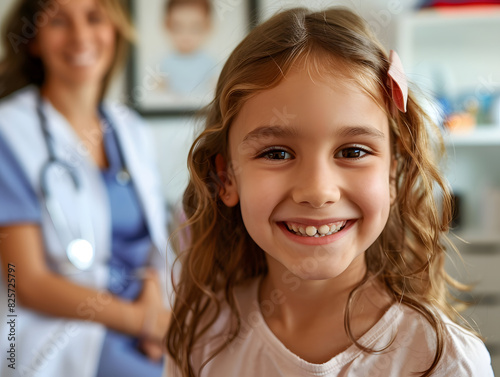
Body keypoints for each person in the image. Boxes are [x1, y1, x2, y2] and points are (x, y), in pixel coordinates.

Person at [164, 6, 495, 377]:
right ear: (226, 179)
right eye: (276, 153)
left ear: (393, 172)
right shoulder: (203, 335)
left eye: (352, 152)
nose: (318, 191)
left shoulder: (444, 361)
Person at [0, 1, 174, 376]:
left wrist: (154, 304)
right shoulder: (9, 133)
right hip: (62, 330)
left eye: (94, 18)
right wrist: (140, 321)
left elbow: (154, 242)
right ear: (33, 39)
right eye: (59, 21)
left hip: (145, 319)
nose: (80, 37)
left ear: (114, 30)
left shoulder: (132, 130)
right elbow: (26, 282)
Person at [159, 0, 217, 106]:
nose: (186, 35)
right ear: (167, 25)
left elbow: (215, 94)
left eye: (195, 28)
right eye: (178, 27)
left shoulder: (211, 64)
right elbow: (158, 96)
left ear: (208, 27)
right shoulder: (163, 64)